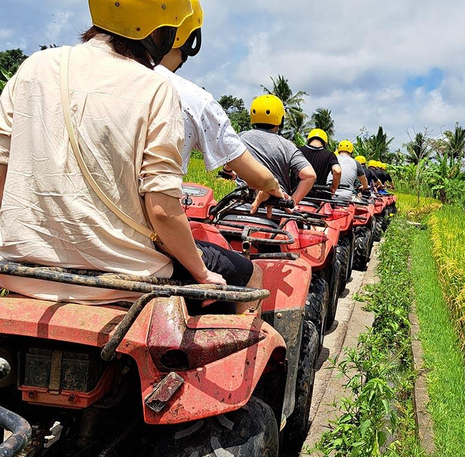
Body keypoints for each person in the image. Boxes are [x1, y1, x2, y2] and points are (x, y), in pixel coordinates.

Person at [0, 0, 241, 305]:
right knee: (246, 275)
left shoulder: (34, 66)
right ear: (162, 32)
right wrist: (202, 273)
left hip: (21, 274)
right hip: (124, 281)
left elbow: (2, 172)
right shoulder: (156, 89)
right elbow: (161, 211)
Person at [153, 0, 286, 307]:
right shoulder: (188, 97)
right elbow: (161, 209)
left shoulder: (53, 72)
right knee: (251, 276)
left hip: (42, 253)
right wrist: (273, 188)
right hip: (143, 248)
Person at [239, 95, 316, 205]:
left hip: (241, 203)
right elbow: (309, 175)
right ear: (281, 119)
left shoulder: (240, 138)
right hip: (276, 206)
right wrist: (292, 201)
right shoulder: (287, 145)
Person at [299, 128, 341, 194]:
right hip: (318, 198)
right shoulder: (329, 155)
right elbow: (337, 171)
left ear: (309, 139)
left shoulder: (298, 150)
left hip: (296, 196)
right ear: (325, 142)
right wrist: (333, 188)